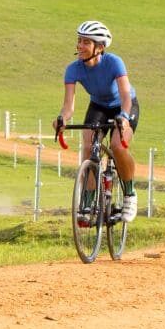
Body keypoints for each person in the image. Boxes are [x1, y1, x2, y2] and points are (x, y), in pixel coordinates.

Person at [54, 20, 140, 222]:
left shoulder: (114, 62)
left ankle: (130, 194)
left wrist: (125, 117)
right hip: (99, 106)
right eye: (79, 41)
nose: (80, 46)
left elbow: (126, 95)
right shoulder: (72, 69)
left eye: (86, 42)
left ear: (99, 47)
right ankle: (87, 202)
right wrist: (62, 119)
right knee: (88, 148)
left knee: (117, 146)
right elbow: (68, 107)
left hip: (124, 105)